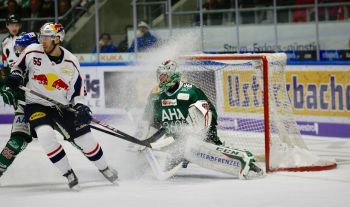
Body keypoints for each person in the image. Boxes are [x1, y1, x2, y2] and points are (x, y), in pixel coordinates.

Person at [7, 22, 118, 190]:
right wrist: (15, 75)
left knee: (86, 140)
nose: (42, 41)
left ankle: (104, 167)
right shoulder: (32, 51)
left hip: (63, 106)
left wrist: (80, 106)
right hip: (36, 104)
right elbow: (17, 68)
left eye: (46, 38)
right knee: (45, 135)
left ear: (57, 39)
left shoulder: (71, 62)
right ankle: (68, 173)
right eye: (41, 37)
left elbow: (78, 91)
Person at [134, 60, 263, 179]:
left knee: (216, 155)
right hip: (175, 142)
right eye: (160, 76)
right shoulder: (155, 95)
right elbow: (149, 119)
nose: (161, 79)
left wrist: (204, 135)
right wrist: (145, 140)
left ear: (173, 75)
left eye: (164, 76)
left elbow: (209, 112)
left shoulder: (191, 91)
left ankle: (248, 164)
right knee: (166, 163)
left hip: (198, 137)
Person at [0, 32, 39, 178]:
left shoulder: (47, 60)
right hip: (25, 105)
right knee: (18, 139)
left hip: (52, 107)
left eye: (23, 48)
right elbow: (4, 75)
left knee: (75, 134)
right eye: (19, 48)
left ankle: (100, 162)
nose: (19, 52)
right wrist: (5, 88)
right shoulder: (15, 63)